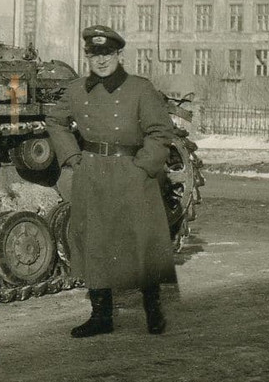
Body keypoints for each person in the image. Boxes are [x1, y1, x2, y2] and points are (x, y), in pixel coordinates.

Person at [45, 24, 179, 337]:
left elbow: (160, 130)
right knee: (95, 242)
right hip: (92, 173)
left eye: (107, 53)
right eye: (94, 53)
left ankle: (153, 308)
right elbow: (55, 120)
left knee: (141, 242)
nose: (101, 60)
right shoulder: (76, 90)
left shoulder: (140, 89)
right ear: (87, 56)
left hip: (131, 172)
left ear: (118, 54)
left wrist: (144, 167)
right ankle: (101, 315)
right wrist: (72, 157)